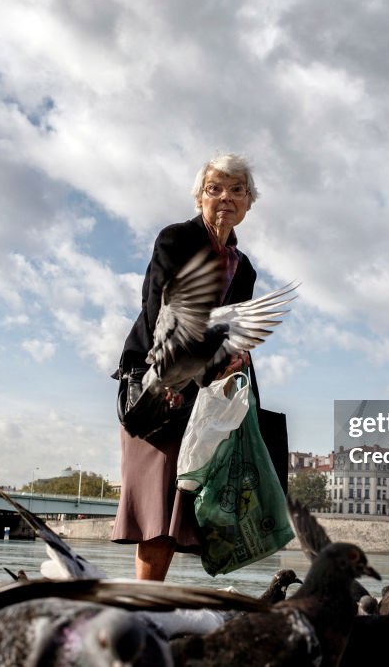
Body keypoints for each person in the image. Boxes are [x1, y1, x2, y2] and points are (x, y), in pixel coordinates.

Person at [111, 153, 259, 581]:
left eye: (236, 190)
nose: (225, 198)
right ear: (199, 198)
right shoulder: (175, 239)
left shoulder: (244, 266)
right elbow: (155, 305)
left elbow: (236, 326)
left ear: (249, 203)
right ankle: (145, 603)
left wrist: (237, 355)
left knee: (179, 502)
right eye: (215, 188)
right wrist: (180, 364)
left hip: (203, 391)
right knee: (157, 500)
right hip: (158, 383)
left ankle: (149, 600)